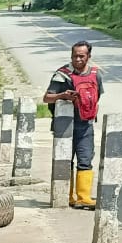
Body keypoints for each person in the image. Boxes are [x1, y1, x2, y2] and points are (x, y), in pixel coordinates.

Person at [43, 41, 104, 210]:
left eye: (81, 56)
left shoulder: (96, 75)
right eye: (75, 56)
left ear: (88, 57)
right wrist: (62, 95)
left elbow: (97, 97)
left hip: (86, 125)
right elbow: (46, 98)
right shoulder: (62, 75)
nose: (77, 59)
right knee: (65, 160)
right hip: (64, 125)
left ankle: (84, 198)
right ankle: (66, 196)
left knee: (85, 160)